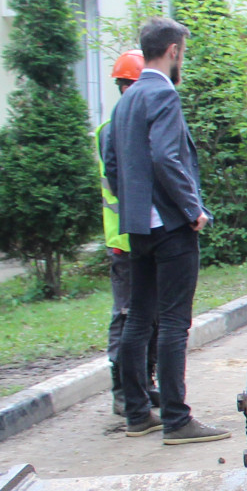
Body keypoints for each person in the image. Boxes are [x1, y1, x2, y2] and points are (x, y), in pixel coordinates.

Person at [102, 17, 229, 444]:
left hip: (137, 227)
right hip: (172, 225)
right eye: (183, 53)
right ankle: (176, 419)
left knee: (140, 317)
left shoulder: (126, 101)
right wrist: (192, 209)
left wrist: (136, 207)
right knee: (175, 322)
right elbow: (165, 157)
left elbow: (113, 164)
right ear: (173, 50)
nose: (182, 60)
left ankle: (138, 413)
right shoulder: (163, 95)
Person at [98, 51, 157, 420]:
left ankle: (143, 386)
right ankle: (123, 390)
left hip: (141, 235)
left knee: (147, 317)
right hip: (125, 240)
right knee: (128, 316)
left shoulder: (126, 123)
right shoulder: (114, 129)